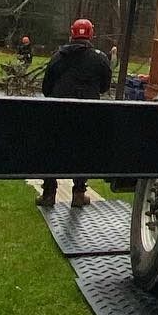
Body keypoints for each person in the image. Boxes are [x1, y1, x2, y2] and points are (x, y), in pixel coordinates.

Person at [37, 17, 112, 210]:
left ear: (72, 33)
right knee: (83, 150)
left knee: (52, 149)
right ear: (91, 34)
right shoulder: (100, 59)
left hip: (59, 114)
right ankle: (79, 193)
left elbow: (46, 87)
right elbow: (104, 87)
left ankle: (48, 193)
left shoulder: (58, 57)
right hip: (87, 115)